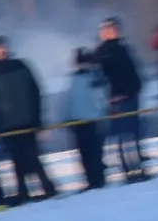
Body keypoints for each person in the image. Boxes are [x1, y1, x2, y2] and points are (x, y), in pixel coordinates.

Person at [0, 36, 57, 202]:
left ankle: (45, 187)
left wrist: (38, 119)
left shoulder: (20, 66)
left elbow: (35, 92)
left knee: (31, 156)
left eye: (0, 48)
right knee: (18, 159)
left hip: (26, 121)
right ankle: (29, 189)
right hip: (7, 125)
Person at [95, 17, 147, 182]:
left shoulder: (121, 49)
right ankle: (131, 169)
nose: (114, 31)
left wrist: (136, 87)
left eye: (115, 28)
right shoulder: (103, 53)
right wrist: (114, 94)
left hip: (130, 97)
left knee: (132, 134)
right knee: (125, 137)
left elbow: (131, 71)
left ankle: (136, 166)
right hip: (119, 100)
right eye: (110, 29)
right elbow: (105, 79)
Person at [63, 48, 110, 191]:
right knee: (85, 154)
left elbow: (101, 98)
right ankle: (92, 179)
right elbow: (69, 100)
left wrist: (101, 115)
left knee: (94, 152)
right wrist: (67, 117)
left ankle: (98, 179)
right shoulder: (76, 79)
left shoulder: (95, 78)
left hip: (93, 120)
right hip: (78, 121)